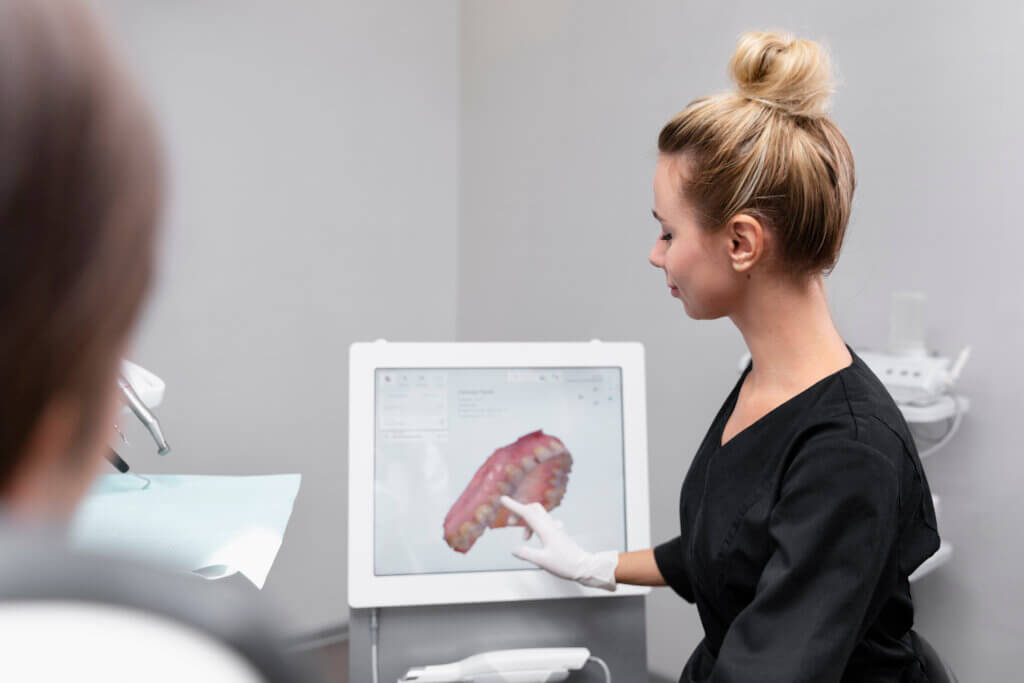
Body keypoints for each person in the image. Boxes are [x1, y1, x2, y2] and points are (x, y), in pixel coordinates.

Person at [500, 31, 942, 682]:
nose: (657, 254)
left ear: (741, 242)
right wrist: (599, 564)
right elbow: (733, 542)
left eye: (668, 231)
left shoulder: (849, 451)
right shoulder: (769, 381)